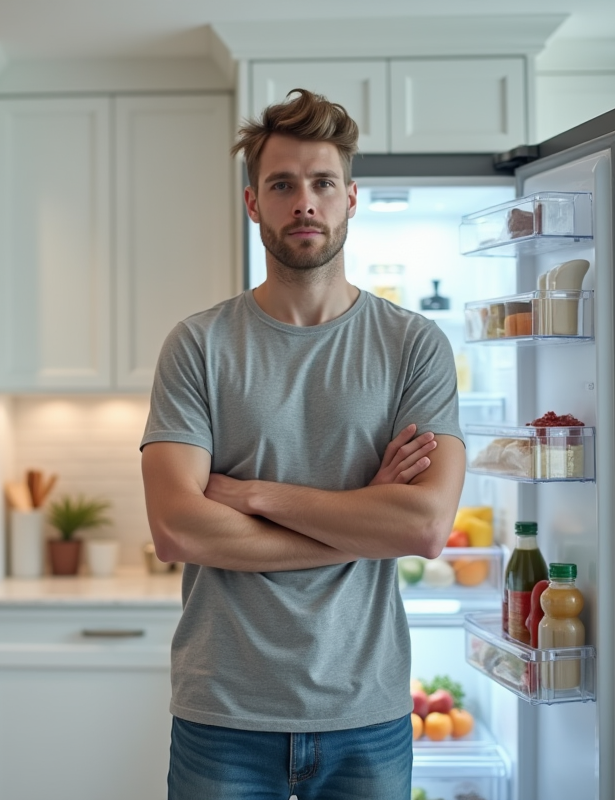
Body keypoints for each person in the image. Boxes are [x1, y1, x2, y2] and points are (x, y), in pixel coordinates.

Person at [139, 88, 467, 800]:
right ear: (253, 203)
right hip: (223, 710)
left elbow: (423, 526)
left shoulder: (413, 346)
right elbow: (176, 529)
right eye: (282, 185)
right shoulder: (199, 345)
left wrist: (256, 496)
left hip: (366, 709)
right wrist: (364, 516)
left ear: (350, 198)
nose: (304, 203)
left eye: (322, 183)